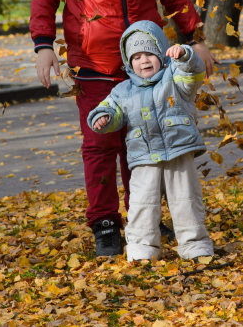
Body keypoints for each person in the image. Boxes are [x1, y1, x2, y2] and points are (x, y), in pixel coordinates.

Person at [30, 0, 219, 257]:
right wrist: (44, 45)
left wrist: (194, 36)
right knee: (100, 145)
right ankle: (105, 224)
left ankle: (143, 220)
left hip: (145, 66)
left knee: (145, 138)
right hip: (94, 63)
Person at [88, 21, 214, 262]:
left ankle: (195, 246)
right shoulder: (123, 91)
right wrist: (103, 117)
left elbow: (194, 73)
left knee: (186, 200)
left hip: (179, 150)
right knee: (142, 204)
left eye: (149, 53)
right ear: (128, 62)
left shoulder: (176, 79)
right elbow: (110, 109)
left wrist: (186, 55)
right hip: (143, 155)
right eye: (136, 57)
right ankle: (142, 250)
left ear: (160, 53)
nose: (143, 60)